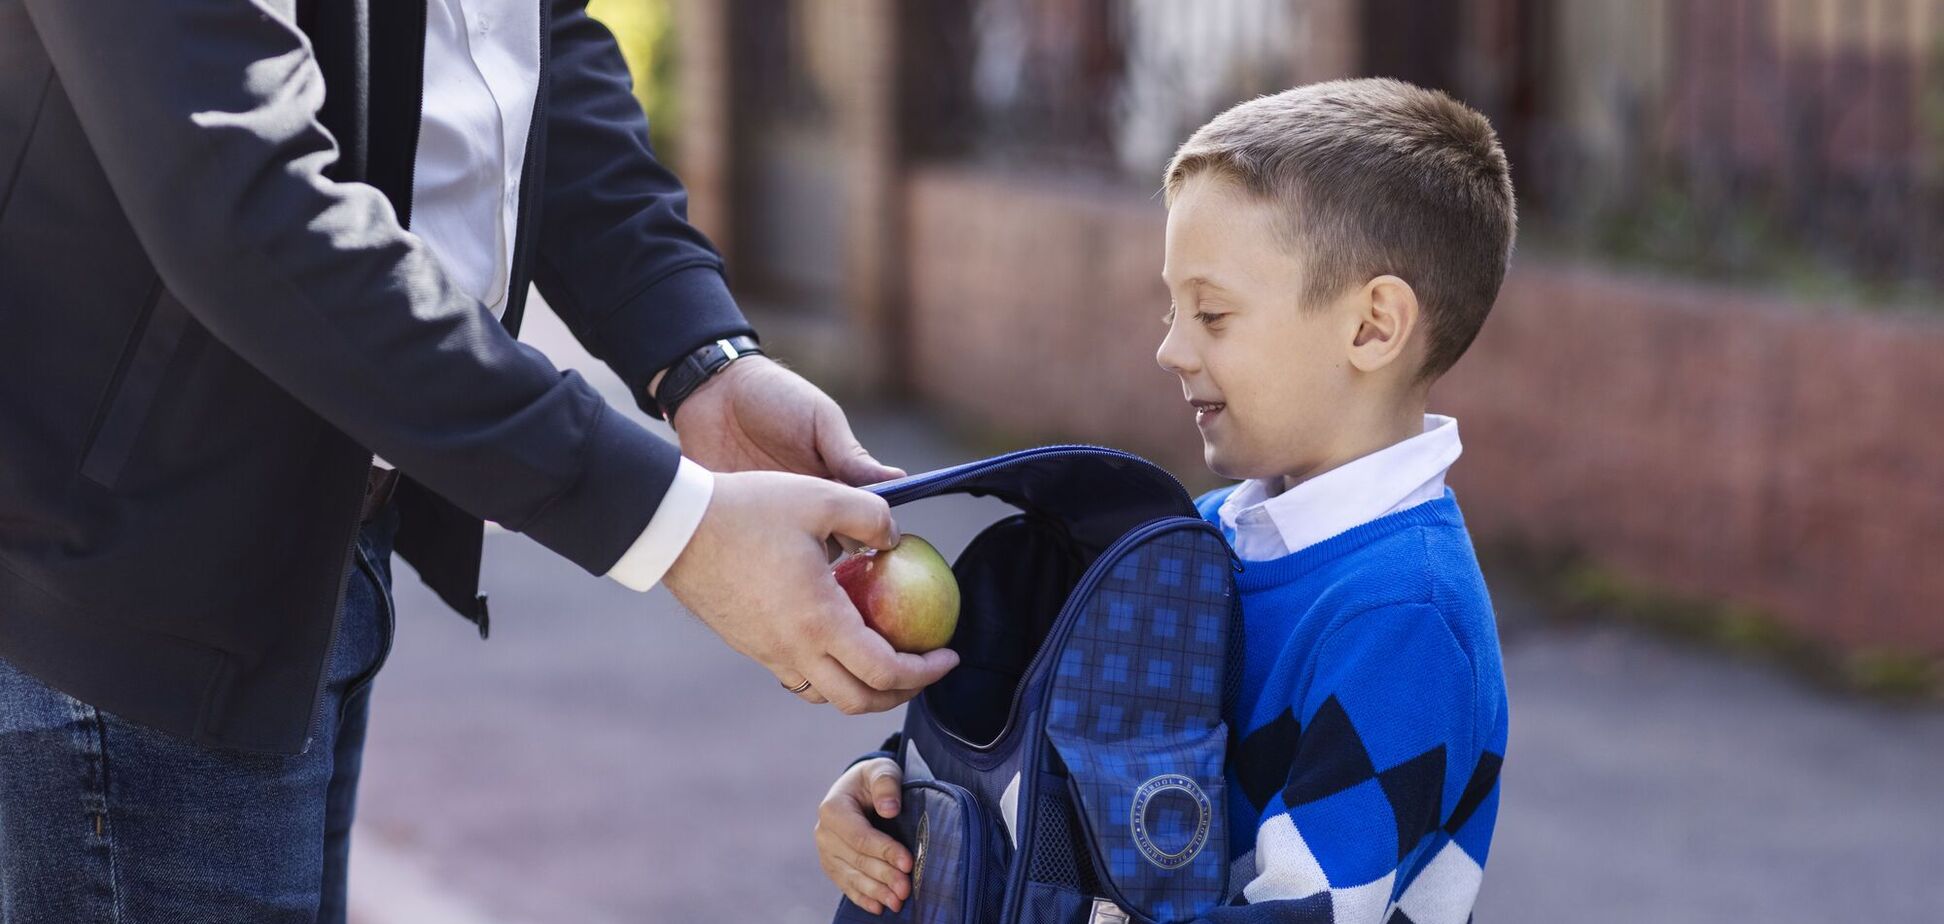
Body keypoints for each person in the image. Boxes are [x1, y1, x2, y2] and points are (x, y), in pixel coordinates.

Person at [0, 1, 954, 921]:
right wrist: (667, 521)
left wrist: (699, 355)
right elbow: (237, 190)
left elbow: (532, 47)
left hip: (327, 526)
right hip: (132, 573)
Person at [813, 78, 1512, 923]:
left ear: (1371, 327)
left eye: (1213, 314)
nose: (1171, 348)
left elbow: (1316, 910)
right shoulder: (1203, 537)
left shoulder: (1406, 615)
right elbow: (1065, 748)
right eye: (1173, 307)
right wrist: (893, 788)